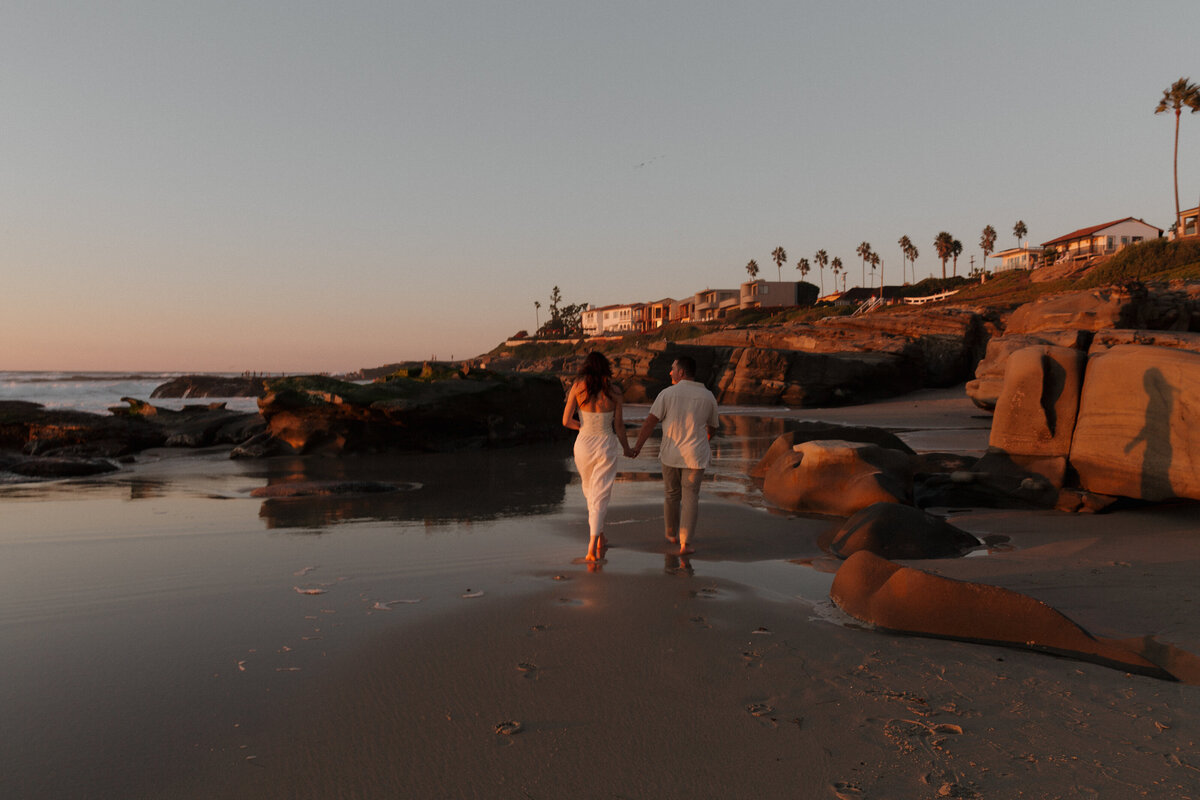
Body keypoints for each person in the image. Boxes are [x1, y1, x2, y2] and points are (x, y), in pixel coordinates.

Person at [630, 355, 720, 555]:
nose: (670, 372)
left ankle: (671, 533)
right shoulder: (707, 396)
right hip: (696, 454)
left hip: (671, 454)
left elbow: (650, 422)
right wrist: (704, 439)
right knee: (690, 497)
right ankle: (685, 543)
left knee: (671, 494)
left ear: (681, 372)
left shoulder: (667, 394)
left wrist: (637, 447)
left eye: (673, 369)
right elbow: (713, 427)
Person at [562, 352, 635, 561]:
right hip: (606, 443)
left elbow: (566, 420)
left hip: (583, 444)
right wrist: (627, 449)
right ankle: (591, 548)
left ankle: (600, 536)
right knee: (600, 493)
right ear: (606, 369)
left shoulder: (577, 388)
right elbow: (619, 427)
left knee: (590, 491)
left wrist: (583, 427)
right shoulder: (614, 392)